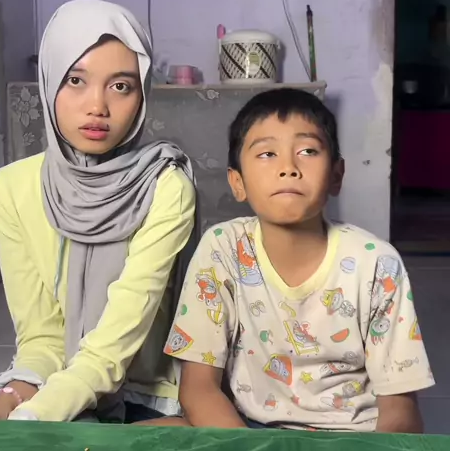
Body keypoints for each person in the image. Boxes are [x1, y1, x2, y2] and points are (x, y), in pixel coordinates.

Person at [0, 0, 196, 424]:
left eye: (121, 86)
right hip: (55, 381)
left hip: (144, 393)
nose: (97, 106)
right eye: (75, 80)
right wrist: (10, 401)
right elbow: (42, 338)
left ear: (142, 95)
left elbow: (113, 349)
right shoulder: (11, 189)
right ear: (49, 80)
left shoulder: (166, 187)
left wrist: (37, 415)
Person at [163, 88, 434, 432]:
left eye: (307, 151)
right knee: (147, 437)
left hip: (353, 440)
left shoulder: (377, 263)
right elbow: (198, 389)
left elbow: (400, 410)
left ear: (336, 175)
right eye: (267, 154)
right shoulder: (222, 248)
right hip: (246, 431)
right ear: (237, 182)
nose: (288, 168)